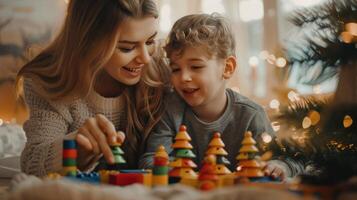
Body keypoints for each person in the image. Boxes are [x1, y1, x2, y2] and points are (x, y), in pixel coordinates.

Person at [140, 13, 304, 180]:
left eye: (196, 67)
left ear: (227, 68)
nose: (183, 77)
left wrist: (278, 166)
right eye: (175, 69)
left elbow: (288, 160)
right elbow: (150, 159)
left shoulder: (251, 115)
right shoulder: (170, 110)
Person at [16, 0, 170, 177]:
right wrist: (76, 148)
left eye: (150, 41)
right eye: (127, 48)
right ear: (89, 40)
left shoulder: (162, 72)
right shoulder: (49, 80)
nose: (145, 58)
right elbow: (33, 164)